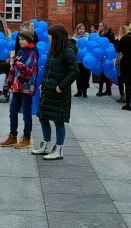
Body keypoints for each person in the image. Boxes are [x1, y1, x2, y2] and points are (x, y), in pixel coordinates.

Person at [31, 24, 78, 160]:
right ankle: (46, 144)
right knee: (43, 116)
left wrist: (61, 86)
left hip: (59, 93)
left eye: (50, 34)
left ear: (57, 36)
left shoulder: (68, 51)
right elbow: (48, 69)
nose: (48, 37)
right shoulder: (53, 49)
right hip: (48, 91)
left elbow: (74, 71)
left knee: (58, 120)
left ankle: (59, 149)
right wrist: (43, 83)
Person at [0, 29, 38, 149]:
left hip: (26, 88)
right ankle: (13, 135)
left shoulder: (32, 53)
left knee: (26, 114)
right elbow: (13, 70)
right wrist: (8, 84)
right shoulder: (20, 51)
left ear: (29, 40)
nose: (21, 41)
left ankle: (26, 138)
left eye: (23, 39)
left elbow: (27, 69)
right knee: (12, 112)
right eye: (20, 39)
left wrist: (15, 62)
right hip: (16, 87)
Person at [96, 22, 116, 97]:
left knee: (106, 73)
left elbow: (112, 44)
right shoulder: (99, 34)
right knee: (102, 73)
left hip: (107, 56)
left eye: (101, 26)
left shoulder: (109, 34)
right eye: (99, 26)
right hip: (101, 56)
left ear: (104, 27)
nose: (99, 27)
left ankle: (103, 90)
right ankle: (106, 90)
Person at [71, 23, 91, 98]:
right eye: (80, 29)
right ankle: (79, 91)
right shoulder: (74, 38)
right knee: (78, 76)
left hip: (86, 60)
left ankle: (84, 91)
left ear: (84, 29)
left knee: (85, 76)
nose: (81, 30)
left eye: (82, 29)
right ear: (77, 30)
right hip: (77, 60)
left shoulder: (88, 37)